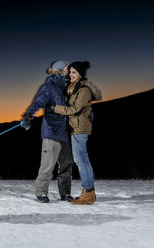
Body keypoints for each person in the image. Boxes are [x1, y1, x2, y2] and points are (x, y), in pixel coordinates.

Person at [46, 61, 102, 205]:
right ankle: (89, 192)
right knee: (83, 159)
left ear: (80, 74)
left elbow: (75, 109)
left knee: (80, 160)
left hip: (80, 128)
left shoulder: (83, 89)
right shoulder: (74, 87)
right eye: (70, 72)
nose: (70, 75)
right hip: (76, 126)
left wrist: (55, 108)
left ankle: (88, 192)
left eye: (74, 72)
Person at [21, 60, 74, 203]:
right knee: (48, 164)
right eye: (68, 68)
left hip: (66, 132)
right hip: (52, 131)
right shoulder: (49, 87)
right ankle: (41, 192)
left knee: (67, 164)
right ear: (60, 70)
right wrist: (28, 115)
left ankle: (65, 193)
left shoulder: (68, 88)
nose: (70, 70)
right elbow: (38, 102)